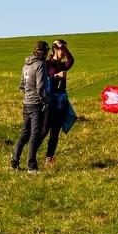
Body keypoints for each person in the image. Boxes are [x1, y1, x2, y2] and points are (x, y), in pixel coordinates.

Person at [11, 40, 50, 173]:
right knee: (35, 135)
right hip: (36, 104)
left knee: (24, 134)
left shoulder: (26, 65)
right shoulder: (40, 65)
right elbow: (41, 86)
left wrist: (28, 95)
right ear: (44, 51)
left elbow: (22, 85)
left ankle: (14, 162)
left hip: (26, 103)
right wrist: (45, 100)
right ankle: (31, 166)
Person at [43, 39, 76, 167]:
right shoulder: (47, 64)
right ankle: (32, 155)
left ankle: (49, 158)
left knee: (55, 131)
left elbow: (71, 60)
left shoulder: (63, 65)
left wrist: (64, 47)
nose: (64, 52)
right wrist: (57, 76)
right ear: (55, 50)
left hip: (61, 102)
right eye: (62, 49)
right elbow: (45, 80)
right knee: (44, 130)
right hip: (50, 101)